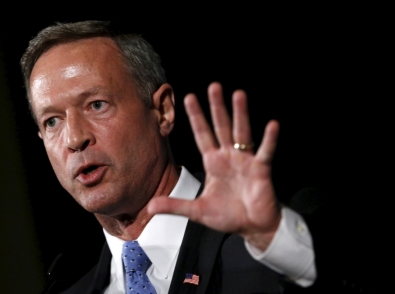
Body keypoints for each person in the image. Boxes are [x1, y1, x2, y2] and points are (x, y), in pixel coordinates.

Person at [21, 20, 317, 294]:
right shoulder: (69, 286)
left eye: (97, 105)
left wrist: (280, 244)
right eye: (52, 121)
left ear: (163, 110)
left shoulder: (267, 244)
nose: (74, 138)